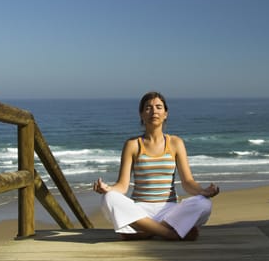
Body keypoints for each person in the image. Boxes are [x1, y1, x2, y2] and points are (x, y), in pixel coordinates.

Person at [93, 91, 219, 240]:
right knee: (109, 198)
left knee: (204, 204)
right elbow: (122, 185)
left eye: (159, 107)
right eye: (148, 108)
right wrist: (108, 189)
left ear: (165, 113)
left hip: (169, 211)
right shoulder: (132, 145)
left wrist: (203, 191)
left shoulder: (175, 143)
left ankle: (146, 232)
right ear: (141, 114)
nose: (154, 111)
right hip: (140, 211)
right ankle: (169, 234)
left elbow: (187, 182)